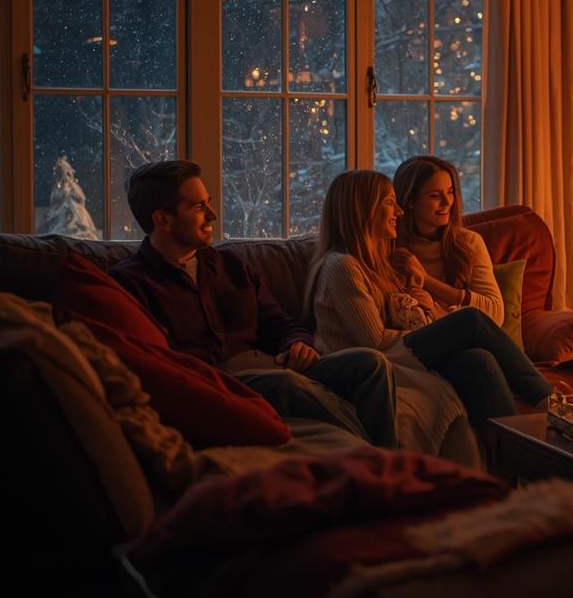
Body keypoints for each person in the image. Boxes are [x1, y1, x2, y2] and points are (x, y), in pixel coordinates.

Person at [110, 160, 400, 449]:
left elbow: (280, 322)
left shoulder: (231, 265)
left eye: (208, 203)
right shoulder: (130, 284)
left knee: (369, 364)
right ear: (163, 220)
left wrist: (297, 343)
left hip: (275, 365)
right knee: (290, 386)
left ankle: (387, 456)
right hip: (221, 383)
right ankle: (384, 462)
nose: (212, 215)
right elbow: (154, 365)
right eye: (198, 207)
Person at [306, 169, 554, 434]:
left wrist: (420, 300)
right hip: (367, 364)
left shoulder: (378, 263)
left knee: (478, 360)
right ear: (363, 210)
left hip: (394, 354)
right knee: (470, 320)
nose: (399, 212)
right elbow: (373, 340)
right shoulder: (341, 266)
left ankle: (514, 457)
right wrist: (433, 333)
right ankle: (548, 399)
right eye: (389, 202)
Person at [389, 156, 501, 325]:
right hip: (422, 343)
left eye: (450, 192)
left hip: (471, 339)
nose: (448, 201)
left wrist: (426, 279)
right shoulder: (391, 246)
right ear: (410, 200)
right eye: (435, 195)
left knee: (479, 352)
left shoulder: (469, 243)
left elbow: (495, 314)